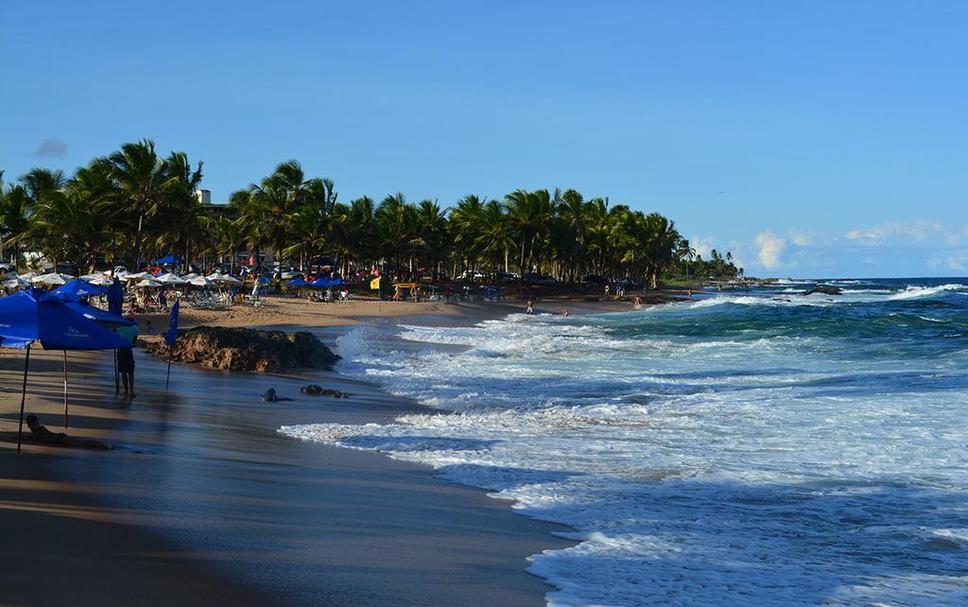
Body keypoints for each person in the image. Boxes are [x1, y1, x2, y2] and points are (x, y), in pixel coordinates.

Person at [25, 415, 111, 450]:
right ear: (30, 426)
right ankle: (101, 444)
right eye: (34, 424)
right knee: (81, 444)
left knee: (82, 444)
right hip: (59, 438)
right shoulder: (38, 431)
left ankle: (102, 445)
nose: (36, 425)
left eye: (36, 424)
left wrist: (25, 437)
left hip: (60, 439)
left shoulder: (40, 430)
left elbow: (36, 437)